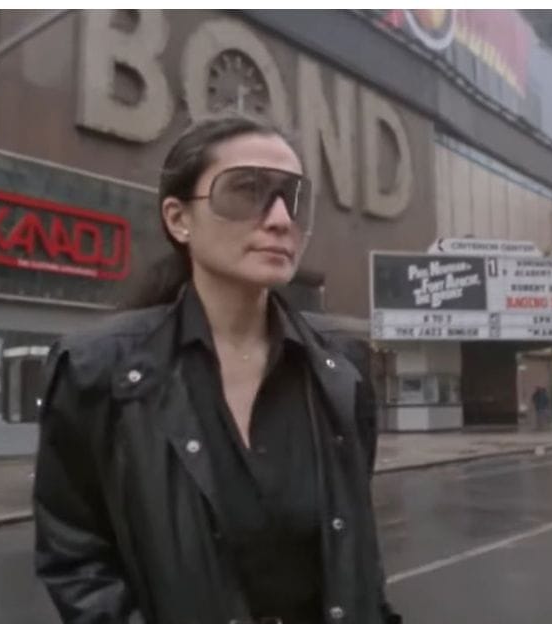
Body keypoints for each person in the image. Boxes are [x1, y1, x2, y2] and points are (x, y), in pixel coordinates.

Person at [32, 116, 399, 623]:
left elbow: (356, 557)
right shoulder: (97, 369)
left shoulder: (341, 369)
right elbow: (75, 558)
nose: (280, 219)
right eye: (246, 191)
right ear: (179, 219)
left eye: (293, 198)